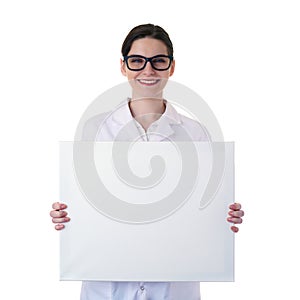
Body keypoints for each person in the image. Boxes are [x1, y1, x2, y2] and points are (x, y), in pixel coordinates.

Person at [50, 24, 244, 300]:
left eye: (159, 61)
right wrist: (65, 214)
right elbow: (85, 200)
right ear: (123, 67)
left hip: (174, 281)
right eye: (137, 61)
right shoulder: (95, 128)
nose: (148, 70)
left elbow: (205, 203)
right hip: (107, 281)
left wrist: (223, 215)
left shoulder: (195, 132)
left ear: (171, 67)